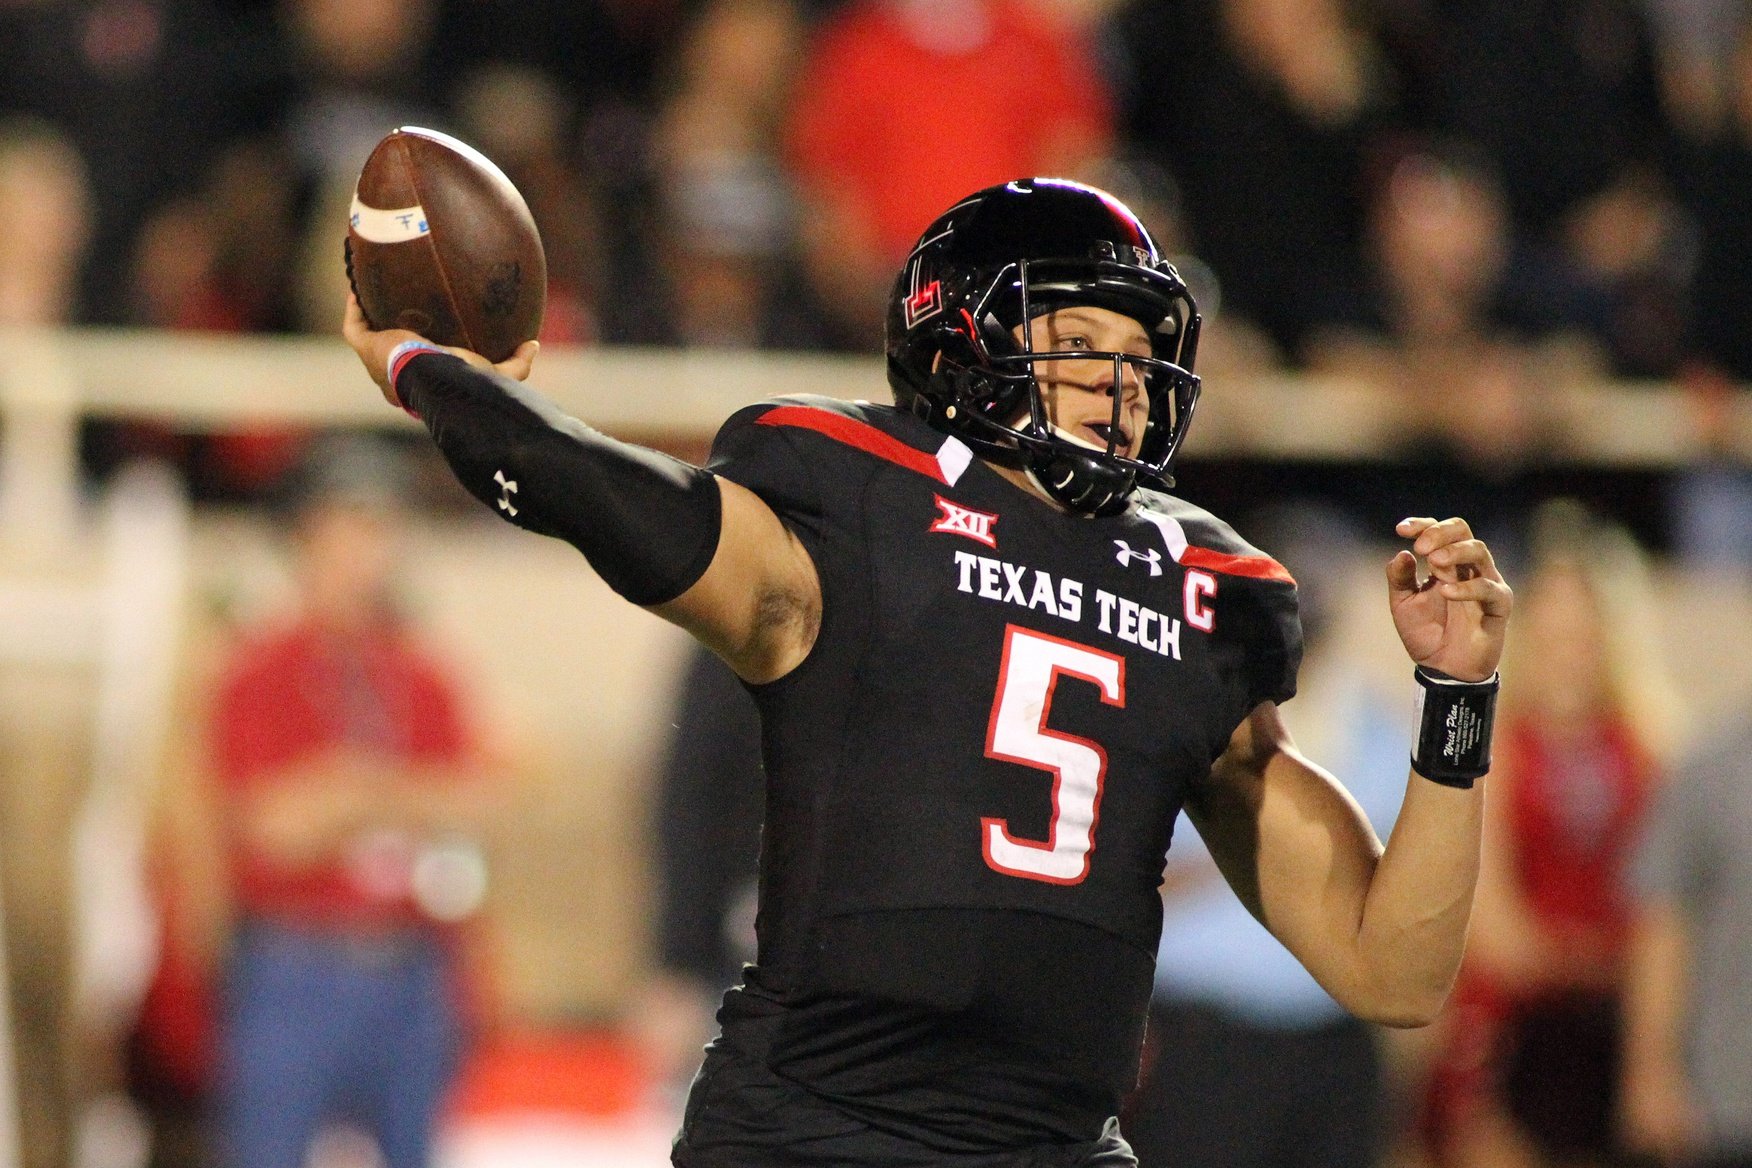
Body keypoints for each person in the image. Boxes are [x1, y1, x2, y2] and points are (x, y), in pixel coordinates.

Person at [342, 176, 1513, 1167]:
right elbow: (610, 497)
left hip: (1054, 1138)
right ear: (968, 337)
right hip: (815, 1125)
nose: (1123, 386)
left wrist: (1458, 703)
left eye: (1143, 355)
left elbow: (1390, 966)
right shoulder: (857, 503)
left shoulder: (1199, 586)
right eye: (1083, 344)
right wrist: (435, 376)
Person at [207, 436, 497, 1168]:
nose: (368, 552)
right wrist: (398, 796)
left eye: (381, 528)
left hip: (409, 960)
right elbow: (271, 827)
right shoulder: (261, 667)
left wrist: (349, 789)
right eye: (349, 528)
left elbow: (478, 799)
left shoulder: (421, 671)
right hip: (295, 958)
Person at [1417, 500, 1683, 1168]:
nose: (1569, 654)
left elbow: (1674, 906)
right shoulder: (1494, 747)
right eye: (1553, 634)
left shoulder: (1652, 750)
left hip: (1621, 1034)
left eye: (1584, 635)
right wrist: (1597, 960)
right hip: (1510, 1033)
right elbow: (1491, 926)